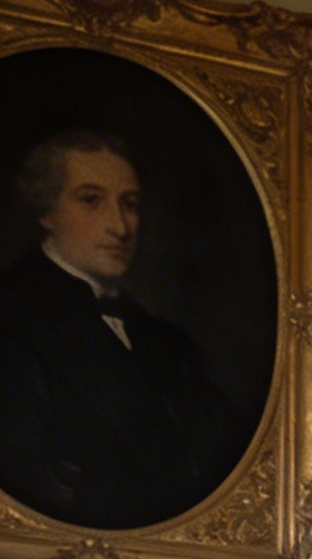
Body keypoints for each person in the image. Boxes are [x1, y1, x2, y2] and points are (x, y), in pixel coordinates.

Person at [0, 126, 248, 530]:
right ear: (45, 210)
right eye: (91, 201)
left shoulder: (169, 344)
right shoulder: (12, 319)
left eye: (129, 204)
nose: (119, 226)